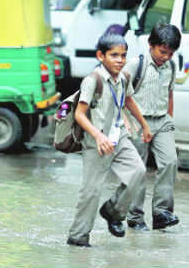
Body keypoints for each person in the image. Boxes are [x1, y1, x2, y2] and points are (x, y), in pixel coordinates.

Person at [67, 34, 152, 247]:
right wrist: (97, 135)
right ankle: (78, 238)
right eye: (114, 55)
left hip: (119, 135)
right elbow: (79, 114)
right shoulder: (92, 80)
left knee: (138, 171)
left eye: (123, 55)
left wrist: (144, 124)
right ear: (101, 56)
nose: (119, 60)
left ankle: (113, 211)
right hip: (97, 140)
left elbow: (129, 100)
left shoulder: (123, 77)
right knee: (91, 192)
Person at [124, 23, 181, 231]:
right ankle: (135, 217)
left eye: (171, 53)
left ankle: (161, 213)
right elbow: (120, 95)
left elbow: (170, 93)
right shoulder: (134, 65)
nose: (166, 57)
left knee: (170, 162)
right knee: (138, 170)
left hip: (162, 121)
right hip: (138, 122)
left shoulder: (171, 67)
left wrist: (170, 119)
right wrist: (126, 122)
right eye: (162, 52)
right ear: (151, 45)